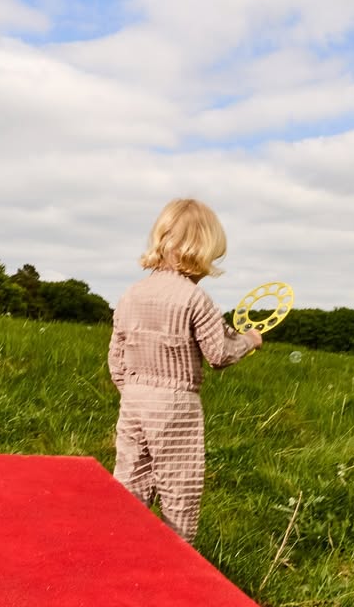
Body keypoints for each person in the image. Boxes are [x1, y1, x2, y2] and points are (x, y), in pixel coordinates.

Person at [108, 198, 262, 543]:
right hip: (175, 404)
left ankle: (118, 548)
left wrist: (133, 392)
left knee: (129, 481)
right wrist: (250, 340)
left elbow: (116, 358)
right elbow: (219, 354)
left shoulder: (131, 294)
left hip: (132, 400)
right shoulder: (195, 299)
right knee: (180, 487)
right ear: (201, 251)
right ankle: (177, 561)